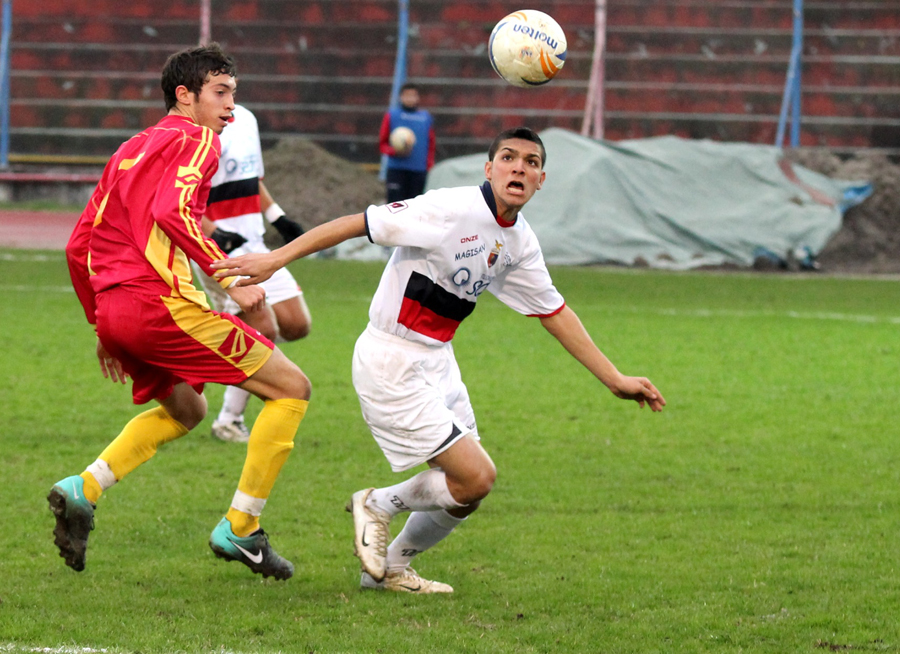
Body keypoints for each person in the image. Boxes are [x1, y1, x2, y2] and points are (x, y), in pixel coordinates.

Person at [211, 127, 666, 594]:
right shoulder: (448, 209)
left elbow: (554, 312)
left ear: (541, 180)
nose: (519, 168)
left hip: (438, 361)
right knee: (476, 476)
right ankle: (378, 503)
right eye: (508, 157)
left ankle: (389, 569)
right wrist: (275, 258)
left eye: (530, 163)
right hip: (391, 360)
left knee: (468, 492)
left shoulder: (520, 242)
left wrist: (614, 378)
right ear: (489, 169)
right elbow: (357, 223)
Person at [50, 43, 310, 581]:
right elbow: (173, 211)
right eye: (221, 92)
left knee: (186, 411)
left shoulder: (131, 148)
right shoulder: (197, 139)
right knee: (292, 388)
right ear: (184, 96)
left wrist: (101, 322)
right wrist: (230, 278)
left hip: (119, 311)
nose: (231, 107)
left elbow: (79, 245)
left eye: (234, 94)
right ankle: (241, 529)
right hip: (160, 306)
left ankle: (85, 487)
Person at [195, 103, 312, 443]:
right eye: (219, 89)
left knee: (296, 324)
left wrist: (278, 217)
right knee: (263, 328)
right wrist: (213, 232)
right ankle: (229, 419)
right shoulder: (195, 129)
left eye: (230, 87)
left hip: (256, 244)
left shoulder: (246, 119)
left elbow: (251, 178)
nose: (228, 96)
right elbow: (179, 196)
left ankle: (220, 353)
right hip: (218, 248)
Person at [378, 82, 435, 203]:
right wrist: (394, 151)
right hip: (396, 170)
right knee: (394, 206)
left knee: (414, 207)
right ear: (401, 97)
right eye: (407, 95)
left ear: (418, 98)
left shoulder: (425, 118)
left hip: (418, 171)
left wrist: (429, 165)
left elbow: (431, 143)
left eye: (413, 95)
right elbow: (382, 144)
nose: (410, 99)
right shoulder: (392, 116)